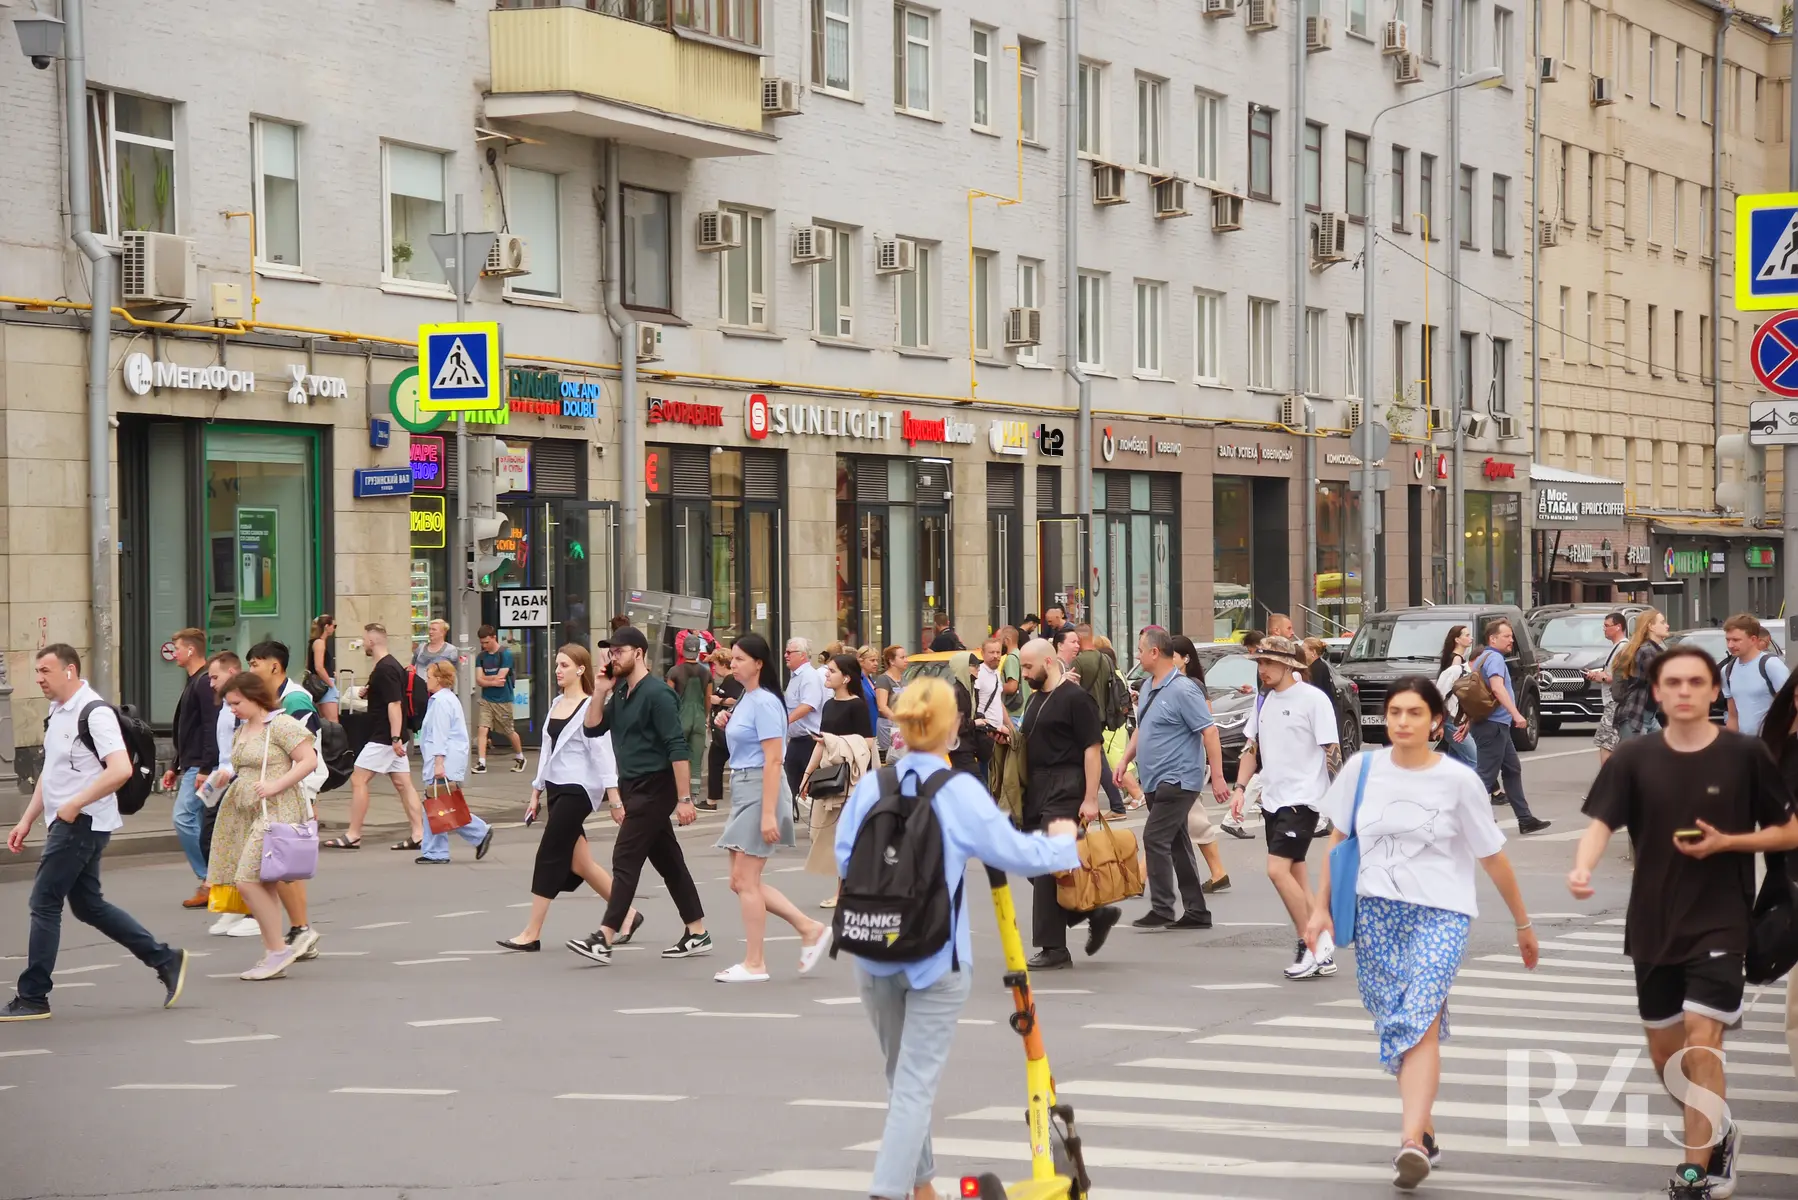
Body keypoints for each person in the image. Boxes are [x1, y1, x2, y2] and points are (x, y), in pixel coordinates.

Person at [834, 676, 1083, 1200]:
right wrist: (1062, 845)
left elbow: (844, 858)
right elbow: (1011, 853)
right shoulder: (958, 790)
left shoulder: (872, 786)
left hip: (871, 949)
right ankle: (887, 1191)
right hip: (935, 957)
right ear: (952, 728)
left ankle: (922, 1189)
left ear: (900, 725)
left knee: (901, 1081)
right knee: (915, 1086)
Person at [1571, 644, 1798, 1200]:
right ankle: (1718, 1126)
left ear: (1714, 691)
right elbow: (1601, 822)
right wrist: (1582, 867)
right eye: (1673, 683)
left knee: (1703, 1043)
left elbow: (1789, 832)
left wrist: (1731, 843)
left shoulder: (1745, 755)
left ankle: (1696, 1168)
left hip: (1721, 923)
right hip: (1652, 923)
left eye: (1696, 682)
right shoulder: (1633, 759)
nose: (1684, 691)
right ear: (1657, 693)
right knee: (1666, 1057)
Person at [1304, 677, 1539, 1191]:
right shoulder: (1362, 769)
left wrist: (1523, 923)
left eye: (1414, 713)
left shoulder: (1458, 781)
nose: (1402, 722)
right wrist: (1320, 909)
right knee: (1397, 1022)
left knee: (1422, 1021)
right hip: (1376, 912)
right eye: (1394, 713)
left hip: (1441, 912)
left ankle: (1410, 1141)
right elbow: (1339, 841)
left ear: (1437, 721)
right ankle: (1425, 1127)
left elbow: (1492, 856)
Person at [2, 645, 190, 1021]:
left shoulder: (95, 713)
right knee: (88, 905)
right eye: (37, 671)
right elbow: (51, 774)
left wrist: (75, 804)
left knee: (44, 902)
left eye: (44, 671)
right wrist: (26, 819)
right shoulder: (58, 712)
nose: (38, 678)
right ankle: (165, 959)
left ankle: (33, 996)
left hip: (81, 822)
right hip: (69, 821)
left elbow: (119, 769)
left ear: (69, 671)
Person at [566, 625, 709, 965]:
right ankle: (697, 931)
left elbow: (678, 746)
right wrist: (600, 690)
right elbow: (592, 727)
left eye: (619, 651)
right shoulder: (621, 694)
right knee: (670, 863)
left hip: (655, 786)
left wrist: (685, 798)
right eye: (610, 652)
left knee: (625, 858)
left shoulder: (658, 694)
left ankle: (605, 936)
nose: (613, 656)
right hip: (633, 786)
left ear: (639, 653)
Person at [498, 645, 638, 952]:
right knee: (581, 863)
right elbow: (546, 751)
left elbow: (603, 756)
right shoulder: (557, 703)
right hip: (556, 787)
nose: (558, 670)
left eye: (564, 665)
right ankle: (627, 914)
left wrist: (614, 799)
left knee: (549, 855)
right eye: (557, 664)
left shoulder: (591, 706)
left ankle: (531, 933)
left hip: (580, 790)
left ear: (580, 669)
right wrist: (536, 792)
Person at [712, 632, 832, 983]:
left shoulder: (764, 701)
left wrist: (767, 812)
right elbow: (747, 744)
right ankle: (808, 928)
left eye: (738, 659)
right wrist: (725, 723)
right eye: (731, 659)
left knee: (746, 881)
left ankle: (755, 963)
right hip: (746, 787)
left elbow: (773, 759)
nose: (732, 665)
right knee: (740, 880)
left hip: (759, 788)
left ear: (758, 664)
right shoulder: (748, 699)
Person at [1230, 635, 1342, 980]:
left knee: (1276, 870)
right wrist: (1239, 789)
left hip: (1303, 800)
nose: (1262, 670)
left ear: (1289, 665)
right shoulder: (1263, 701)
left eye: (1268, 663)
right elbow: (1252, 747)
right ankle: (1324, 944)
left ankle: (1309, 945)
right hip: (1273, 800)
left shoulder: (1313, 699)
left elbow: (1332, 750)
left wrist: (1340, 803)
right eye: (1260, 663)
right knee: (1294, 874)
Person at [204, 671, 321, 980]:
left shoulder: (281, 725)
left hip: (276, 810)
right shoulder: (242, 729)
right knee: (262, 880)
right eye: (229, 704)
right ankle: (274, 950)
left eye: (236, 702)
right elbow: (239, 767)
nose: (232, 709)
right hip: (247, 809)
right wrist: (223, 778)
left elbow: (309, 760)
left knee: (247, 880)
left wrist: (274, 785)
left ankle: (278, 949)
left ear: (256, 697)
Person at [1115, 627, 1230, 930]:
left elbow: (1209, 731)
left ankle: (1163, 907)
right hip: (1154, 779)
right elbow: (1143, 727)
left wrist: (1217, 777)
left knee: (1154, 837)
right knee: (1177, 843)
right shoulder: (1149, 686)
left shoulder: (1184, 689)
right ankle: (1196, 912)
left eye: (1140, 650)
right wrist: (1125, 759)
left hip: (1178, 779)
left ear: (1155, 652)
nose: (1137, 655)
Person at [1017, 638, 1119, 970]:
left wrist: (1091, 798)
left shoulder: (1076, 699)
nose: (1024, 673)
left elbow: (1092, 750)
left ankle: (1054, 948)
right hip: (1037, 787)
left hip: (1066, 785)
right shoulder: (1036, 699)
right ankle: (1093, 912)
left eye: (1028, 667)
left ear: (1048, 663)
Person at [244, 640, 324, 958]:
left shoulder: (295, 700)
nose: (251, 670)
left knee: (284, 863)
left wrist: (306, 794)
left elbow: (309, 751)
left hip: (293, 792)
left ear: (274, 666)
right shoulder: (271, 699)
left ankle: (301, 930)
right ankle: (296, 930)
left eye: (255, 664)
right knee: (279, 863)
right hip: (276, 792)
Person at [324, 623, 424, 851]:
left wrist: (395, 737)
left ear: (371, 641)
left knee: (358, 779)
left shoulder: (386, 668)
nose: (363, 644)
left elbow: (394, 704)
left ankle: (353, 834)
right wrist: (368, 690)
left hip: (385, 737)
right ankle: (419, 834)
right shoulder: (388, 666)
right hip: (391, 736)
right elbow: (389, 696)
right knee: (403, 784)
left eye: (364, 639)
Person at [1468, 621, 1551, 835]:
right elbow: (1496, 689)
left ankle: (1525, 819)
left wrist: (1468, 723)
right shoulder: (1494, 659)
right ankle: (1457, 817)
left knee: (1512, 770)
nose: (1511, 640)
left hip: (1493, 725)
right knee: (1485, 776)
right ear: (1492, 639)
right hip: (1493, 726)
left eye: (1512, 636)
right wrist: (1516, 713)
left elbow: (1477, 696)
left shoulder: (1481, 659)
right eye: (1506, 636)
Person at [1168, 634, 1236, 883]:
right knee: (1185, 822)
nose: (1167, 660)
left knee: (1165, 827)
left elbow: (1207, 724)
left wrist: (1217, 774)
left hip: (1185, 764)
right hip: (1179, 765)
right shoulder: (1170, 683)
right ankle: (1219, 872)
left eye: (1171, 655)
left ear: (1185, 659)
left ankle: (1140, 877)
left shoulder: (1190, 685)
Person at [161, 627, 218, 908]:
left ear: (191, 650)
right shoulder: (195, 680)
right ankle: (213, 879)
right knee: (202, 821)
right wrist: (175, 764)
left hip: (201, 766)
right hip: (192, 764)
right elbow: (187, 728)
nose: (175, 654)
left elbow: (210, 727)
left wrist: (206, 768)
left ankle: (211, 878)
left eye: (178, 648)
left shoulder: (205, 681)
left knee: (184, 817)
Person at [417, 659, 493, 864]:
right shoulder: (447, 699)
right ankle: (438, 850)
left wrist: (439, 763)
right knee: (439, 804)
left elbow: (440, 734)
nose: (427, 680)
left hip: (443, 759)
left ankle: (474, 834)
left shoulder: (441, 702)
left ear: (440, 679)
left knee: (438, 804)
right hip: (448, 758)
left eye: (430, 677)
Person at [1055, 626, 1124, 815]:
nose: (1076, 645)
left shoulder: (1078, 662)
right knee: (1096, 758)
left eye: (1076, 641)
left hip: (1084, 718)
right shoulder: (1106, 659)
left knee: (1096, 760)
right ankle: (1115, 803)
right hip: (1103, 714)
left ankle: (1116, 804)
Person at [1723, 613, 1789, 738]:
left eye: (1736, 640)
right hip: (1745, 746)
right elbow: (1733, 716)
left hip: (1771, 742)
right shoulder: (1727, 670)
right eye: (1728, 639)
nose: (1730, 645)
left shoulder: (1771, 665)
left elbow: (1789, 707)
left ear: (1753, 639)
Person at [667, 635, 714, 806]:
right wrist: (706, 716)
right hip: (699, 716)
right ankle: (693, 794)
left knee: (678, 755)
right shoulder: (706, 673)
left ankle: (677, 792)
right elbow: (708, 697)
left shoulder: (674, 672)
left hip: (680, 717)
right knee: (696, 756)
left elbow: (668, 698)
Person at [473, 625, 525, 775]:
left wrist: (485, 679)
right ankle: (481, 762)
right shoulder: (481, 657)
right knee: (482, 728)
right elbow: (479, 680)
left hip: (503, 699)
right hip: (487, 699)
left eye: (486, 642)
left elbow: (501, 679)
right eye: (482, 643)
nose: (484, 645)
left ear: (494, 637)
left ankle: (520, 756)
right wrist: (491, 680)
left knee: (508, 730)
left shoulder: (505, 654)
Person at [1612, 608, 1670, 743]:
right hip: (1636, 716)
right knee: (1633, 761)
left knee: (1662, 755)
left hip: (1646, 716)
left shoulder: (1654, 649)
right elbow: (1661, 680)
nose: (1667, 625)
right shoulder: (1647, 651)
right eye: (1662, 622)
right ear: (1651, 626)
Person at [783, 637, 826, 799]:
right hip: (796, 740)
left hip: (809, 740)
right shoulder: (795, 676)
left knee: (812, 788)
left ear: (802, 655)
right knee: (789, 785)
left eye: (789, 652)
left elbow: (808, 705)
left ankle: (817, 821)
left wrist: (784, 721)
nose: (785, 655)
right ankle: (789, 817)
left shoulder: (809, 676)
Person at [1434, 624, 1479, 770]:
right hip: (1452, 717)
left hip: (1454, 717)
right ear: (1457, 640)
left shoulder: (1455, 658)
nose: (1470, 638)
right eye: (1466, 635)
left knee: (1455, 762)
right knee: (1473, 760)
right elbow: (1450, 692)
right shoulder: (1457, 662)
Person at [1586, 611, 1628, 764]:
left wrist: (1601, 677)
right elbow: (1611, 672)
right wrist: (1598, 674)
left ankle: (1607, 777)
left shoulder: (1622, 648)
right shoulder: (1617, 647)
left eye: (1606, 626)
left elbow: (1618, 677)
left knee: (1606, 743)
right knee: (1614, 742)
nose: (1604, 629)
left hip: (1614, 702)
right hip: (1613, 702)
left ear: (1618, 627)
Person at [704, 647, 741, 811]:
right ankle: (712, 799)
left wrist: (719, 701)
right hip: (721, 731)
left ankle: (713, 800)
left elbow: (737, 700)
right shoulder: (728, 680)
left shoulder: (732, 680)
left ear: (723, 664)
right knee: (715, 762)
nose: (714, 669)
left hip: (727, 731)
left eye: (716, 665)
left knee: (721, 762)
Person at [873, 645, 906, 762]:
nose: (906, 660)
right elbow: (882, 707)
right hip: (888, 726)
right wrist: (898, 719)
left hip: (902, 727)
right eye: (902, 658)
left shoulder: (903, 679)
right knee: (891, 757)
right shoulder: (884, 679)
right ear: (891, 661)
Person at [308, 613, 341, 723]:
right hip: (325, 685)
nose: (334, 629)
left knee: (325, 722)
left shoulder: (314, 642)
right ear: (327, 626)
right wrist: (331, 684)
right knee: (333, 722)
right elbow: (319, 667)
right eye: (334, 626)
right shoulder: (320, 643)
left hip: (320, 685)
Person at [996, 625, 1026, 720]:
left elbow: (1012, 686)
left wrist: (994, 686)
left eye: (999, 641)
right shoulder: (1021, 655)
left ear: (1006, 640)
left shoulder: (1011, 658)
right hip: (1023, 710)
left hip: (1014, 712)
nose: (998, 645)